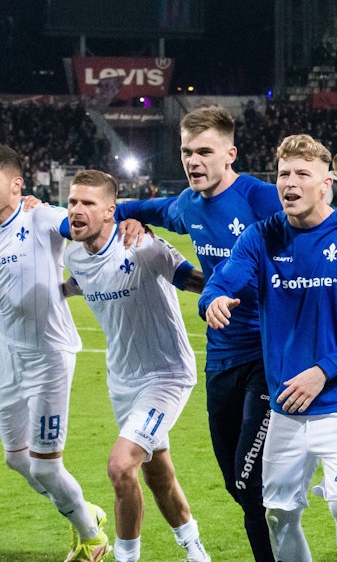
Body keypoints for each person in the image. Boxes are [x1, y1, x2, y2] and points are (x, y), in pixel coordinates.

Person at [114, 105, 337, 562]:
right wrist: (121, 218)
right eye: (186, 152)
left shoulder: (261, 199)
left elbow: (315, 207)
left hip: (267, 358)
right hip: (221, 358)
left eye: (204, 152)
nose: (193, 161)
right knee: (241, 488)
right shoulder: (186, 205)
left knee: (251, 484)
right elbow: (124, 207)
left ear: (229, 154)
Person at [202, 134, 337, 562]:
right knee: (277, 516)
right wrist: (213, 298)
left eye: (301, 174)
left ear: (326, 183)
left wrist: (323, 370)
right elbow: (225, 276)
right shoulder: (262, 237)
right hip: (287, 408)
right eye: (283, 174)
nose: (289, 182)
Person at [64, 170, 210, 562]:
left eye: (88, 203)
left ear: (112, 211)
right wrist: (59, 291)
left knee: (120, 465)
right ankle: (195, 550)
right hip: (121, 380)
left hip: (167, 374)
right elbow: (84, 279)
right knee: (155, 472)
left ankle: (125, 557)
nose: (76, 210)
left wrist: (241, 286)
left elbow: (194, 280)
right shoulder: (72, 252)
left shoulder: (142, 244)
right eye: (72, 202)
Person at [0, 145, 111, 562]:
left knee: (45, 465)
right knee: (16, 460)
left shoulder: (40, 216)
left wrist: (72, 282)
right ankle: (86, 512)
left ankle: (93, 539)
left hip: (48, 356)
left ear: (16, 184)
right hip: (6, 358)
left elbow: (90, 230)